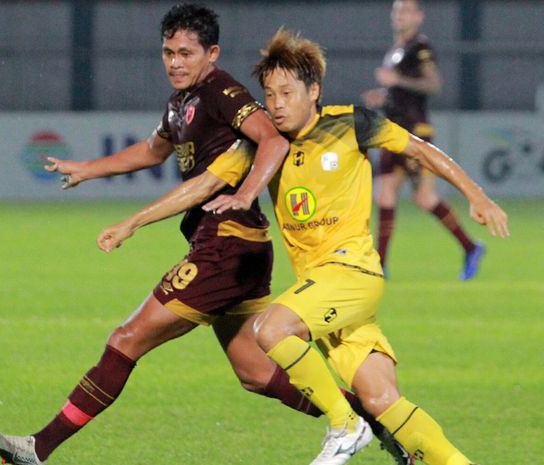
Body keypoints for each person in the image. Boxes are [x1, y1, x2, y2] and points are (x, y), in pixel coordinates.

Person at [0, 5, 407, 465]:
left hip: (225, 244)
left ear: (212, 53)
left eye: (186, 53)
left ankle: (36, 449)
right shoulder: (180, 103)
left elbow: (274, 140)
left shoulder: (222, 91)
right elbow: (151, 150)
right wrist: (87, 169)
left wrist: (244, 194)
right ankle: (369, 417)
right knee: (253, 372)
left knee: (127, 338)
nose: (175, 62)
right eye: (168, 52)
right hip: (233, 248)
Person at [203, 28, 509, 465]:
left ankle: (346, 425)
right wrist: (134, 220)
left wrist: (476, 195)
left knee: (271, 330)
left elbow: (421, 151)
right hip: (325, 292)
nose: (277, 104)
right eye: (269, 94)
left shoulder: (351, 123)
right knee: (384, 399)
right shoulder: (267, 144)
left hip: (350, 273)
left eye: (287, 92)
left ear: (314, 91)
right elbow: (207, 181)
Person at [361, 0, 484, 280]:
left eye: (406, 11)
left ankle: (471, 247)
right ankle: (380, 264)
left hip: (416, 133)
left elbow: (432, 84)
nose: (400, 16)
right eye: (397, 11)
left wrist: (396, 81)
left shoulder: (420, 47)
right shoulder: (395, 51)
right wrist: (383, 96)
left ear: (419, 16)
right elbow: (399, 91)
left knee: (425, 198)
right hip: (392, 132)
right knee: (384, 194)